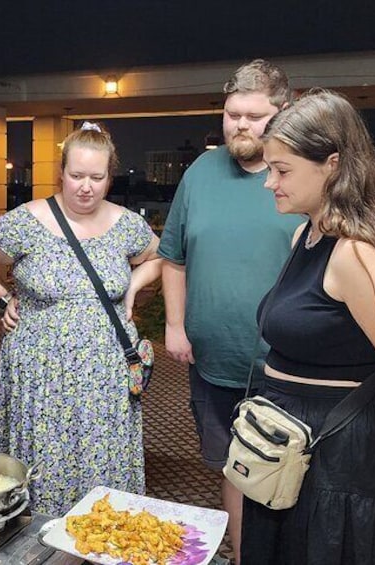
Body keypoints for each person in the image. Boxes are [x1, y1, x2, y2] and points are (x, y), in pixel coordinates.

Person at [240, 90, 375, 564]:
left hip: (345, 466)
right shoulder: (307, 234)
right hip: (295, 454)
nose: (269, 182)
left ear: (332, 164)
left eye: (283, 170)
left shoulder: (359, 255)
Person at [0, 121, 162, 515]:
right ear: (61, 174)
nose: (85, 186)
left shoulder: (126, 225)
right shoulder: (27, 221)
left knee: (103, 456)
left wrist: (133, 286)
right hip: (41, 372)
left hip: (105, 371)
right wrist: (2, 299)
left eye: (96, 177)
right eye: (76, 175)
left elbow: (161, 257)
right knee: (44, 462)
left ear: (109, 177)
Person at [158, 58, 300, 561]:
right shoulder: (200, 171)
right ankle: (243, 555)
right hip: (213, 363)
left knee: (289, 468)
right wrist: (174, 325)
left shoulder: (300, 177)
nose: (240, 125)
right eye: (232, 113)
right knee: (232, 467)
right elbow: (172, 256)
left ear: (282, 113)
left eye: (254, 116)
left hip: (289, 367)